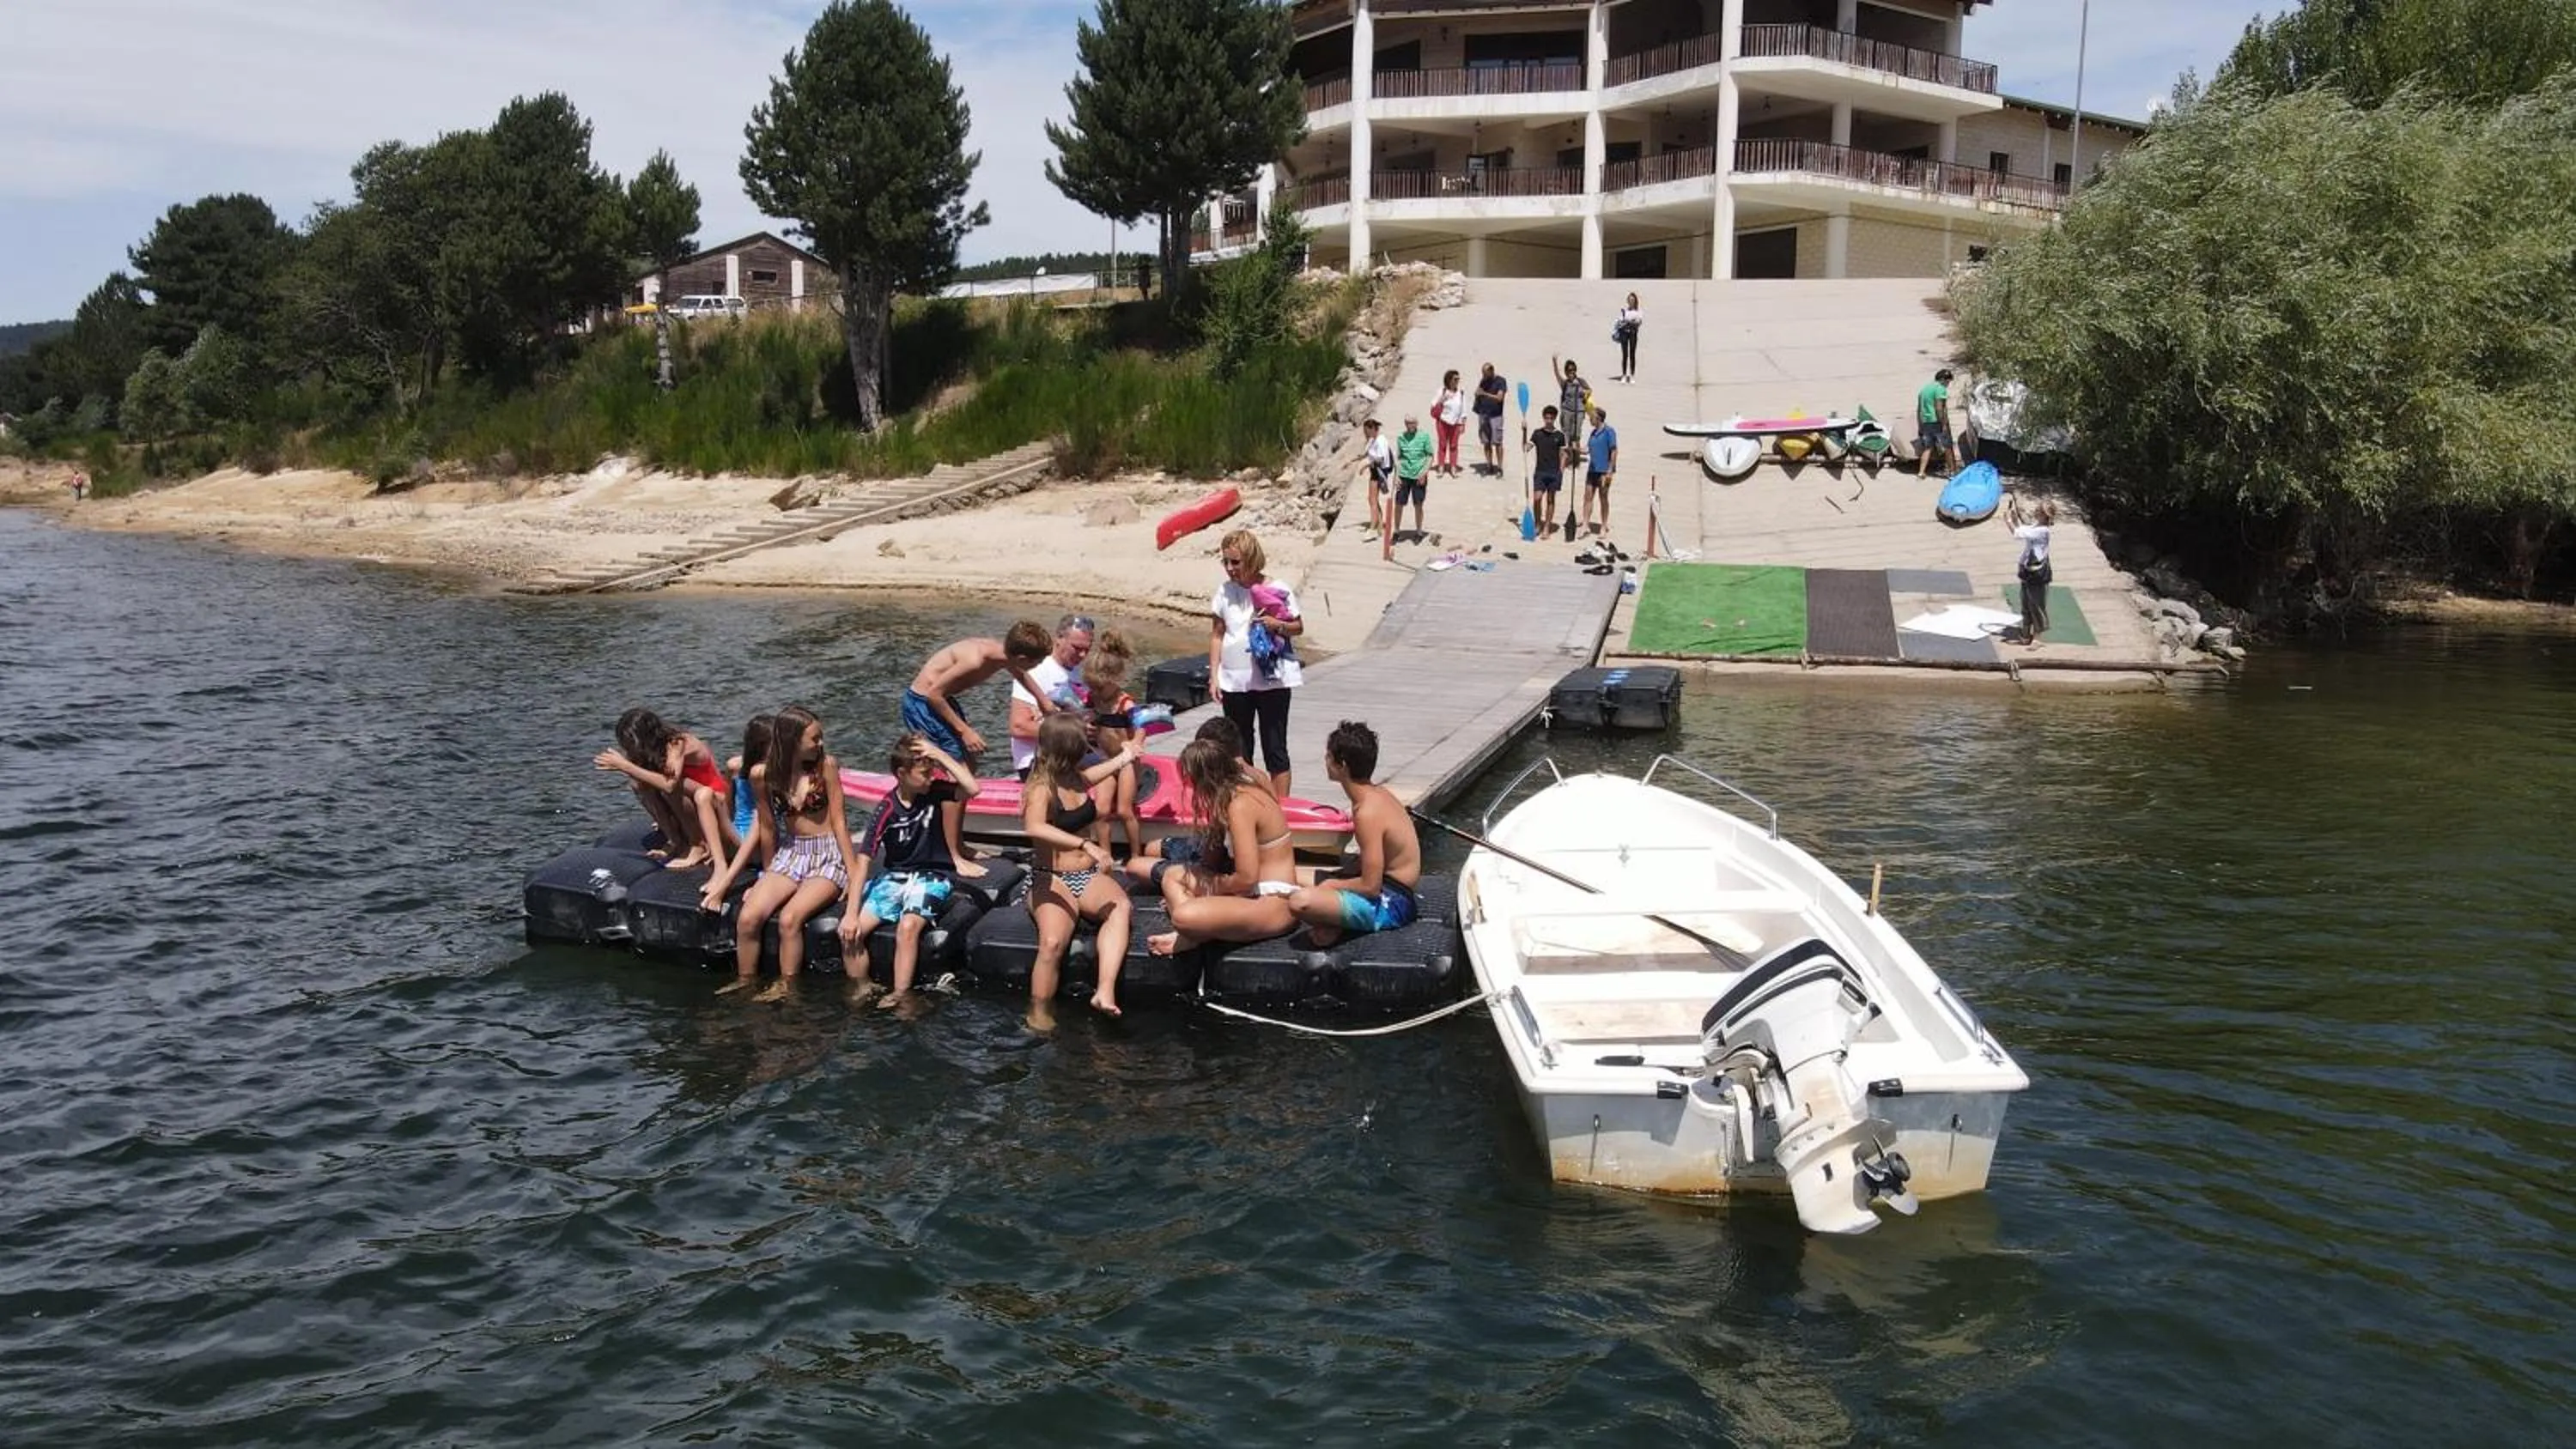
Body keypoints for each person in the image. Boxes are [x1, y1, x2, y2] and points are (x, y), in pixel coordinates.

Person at [724, 705, 860, 1002]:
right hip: (791, 853)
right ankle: (745, 981)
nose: (821, 744)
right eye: (814, 739)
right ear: (792, 740)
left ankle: (787, 987)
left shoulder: (827, 768)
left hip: (827, 853)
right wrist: (767, 875)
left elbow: (839, 822)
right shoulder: (763, 775)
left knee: (789, 919)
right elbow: (768, 828)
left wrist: (852, 876)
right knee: (748, 918)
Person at [841, 732, 979, 1008]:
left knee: (908, 926)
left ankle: (901, 994)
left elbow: (972, 789)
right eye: (924, 773)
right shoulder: (886, 809)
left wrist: (939, 754)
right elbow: (864, 860)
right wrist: (851, 914)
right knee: (850, 933)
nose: (930, 778)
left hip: (931, 878)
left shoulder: (936, 792)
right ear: (902, 773)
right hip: (894, 880)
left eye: (932, 772)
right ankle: (862, 985)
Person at [1022, 713, 1144, 1023]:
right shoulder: (1041, 787)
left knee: (1120, 906)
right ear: (1066, 750)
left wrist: (1128, 754)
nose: (1087, 751)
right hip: (1052, 879)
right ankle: (1038, 1015)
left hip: (1086, 876)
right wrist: (1085, 845)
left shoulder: (1076, 777)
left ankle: (1104, 990)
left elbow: (1100, 772)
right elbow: (1034, 827)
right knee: (1051, 944)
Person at [1146, 738, 1301, 956]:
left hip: (1273, 903)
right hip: (1249, 895)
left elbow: (1247, 879)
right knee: (1172, 876)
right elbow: (1210, 861)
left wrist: (1209, 890)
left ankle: (1192, 935)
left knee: (1183, 915)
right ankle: (1196, 932)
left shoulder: (1241, 805)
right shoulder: (1230, 796)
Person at [1285, 722, 1421, 947]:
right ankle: (1334, 920)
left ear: (1343, 765)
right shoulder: (1376, 794)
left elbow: (1370, 886)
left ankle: (1335, 924)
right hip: (1384, 887)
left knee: (1301, 901)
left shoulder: (1367, 812)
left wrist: (1331, 885)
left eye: (1329, 756)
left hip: (1393, 902)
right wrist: (1336, 878)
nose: (1325, 761)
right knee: (1288, 875)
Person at [1208, 529, 1302, 798]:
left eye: (1235, 562)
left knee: (1275, 747)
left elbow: (1298, 626)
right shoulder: (1224, 592)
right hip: (1234, 681)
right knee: (1239, 747)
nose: (1230, 568)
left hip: (1272, 679)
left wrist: (1278, 625)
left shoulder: (1278, 588)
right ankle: (1247, 801)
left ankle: (1282, 807)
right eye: (1226, 561)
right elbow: (1217, 634)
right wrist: (1214, 675)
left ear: (1250, 559)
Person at [593, 706, 735, 870]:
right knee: (639, 784)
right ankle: (675, 841)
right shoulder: (649, 750)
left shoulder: (677, 743)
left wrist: (625, 766)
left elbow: (669, 785)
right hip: (692, 797)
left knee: (672, 788)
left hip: (713, 798)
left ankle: (698, 846)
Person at [904, 622, 1056, 767]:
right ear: (1022, 659)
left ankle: (962, 788)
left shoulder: (1003, 654)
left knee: (970, 757)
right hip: (923, 703)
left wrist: (1043, 701)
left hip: (943, 699)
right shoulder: (974, 661)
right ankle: (930, 788)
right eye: (1038, 662)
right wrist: (966, 731)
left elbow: (1020, 674)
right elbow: (934, 695)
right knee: (953, 759)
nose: (1039, 666)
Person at [1082, 631, 1147, 860]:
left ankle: (1136, 854)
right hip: (1107, 759)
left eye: (1100, 688)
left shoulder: (1124, 702)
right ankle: (1105, 854)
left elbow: (1142, 724)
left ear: (1115, 679)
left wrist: (1136, 742)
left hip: (1127, 759)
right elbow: (1084, 714)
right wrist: (1086, 724)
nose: (1096, 693)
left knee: (1123, 811)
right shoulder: (1093, 698)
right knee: (1100, 810)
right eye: (1093, 688)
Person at [1008, 614, 1097, 779]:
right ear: (1059, 639)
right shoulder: (1035, 671)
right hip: (1037, 761)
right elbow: (1018, 727)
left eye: (1087, 649)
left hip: (1072, 753)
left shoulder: (1078, 674)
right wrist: (1076, 731)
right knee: (1108, 777)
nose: (1083, 655)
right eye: (1077, 648)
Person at [2009, 496, 2056, 647]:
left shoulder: (2043, 531)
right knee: (2025, 603)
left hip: (2037, 572)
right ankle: (2025, 632)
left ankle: (2038, 637)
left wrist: (2008, 522)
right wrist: (2015, 520)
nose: (2036, 512)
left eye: (2039, 511)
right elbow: (2023, 530)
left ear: (2045, 515)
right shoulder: (2036, 527)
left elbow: (2018, 534)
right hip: (2027, 569)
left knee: (2036, 604)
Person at [1523, 404, 1569, 540]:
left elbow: (1563, 454)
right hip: (1540, 472)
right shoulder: (1537, 433)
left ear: (1554, 418)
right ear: (1543, 418)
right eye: (1546, 418)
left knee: (1550, 499)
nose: (1548, 420)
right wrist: (1524, 431)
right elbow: (1525, 448)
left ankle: (1547, 526)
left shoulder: (1560, 436)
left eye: (1551, 418)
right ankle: (1538, 523)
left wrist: (1561, 471)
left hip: (1554, 472)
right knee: (1537, 499)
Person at [1389, 415, 1433, 556]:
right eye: (1407, 423)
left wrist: (1425, 473)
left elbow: (1430, 455)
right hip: (1404, 475)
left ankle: (1419, 531)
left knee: (1418, 504)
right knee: (1399, 504)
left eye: (1412, 423)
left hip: (1419, 475)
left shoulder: (1424, 436)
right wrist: (1396, 476)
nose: (1409, 425)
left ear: (1416, 423)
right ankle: (1396, 531)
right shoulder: (1401, 438)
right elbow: (1399, 457)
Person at [1582, 404, 1619, 538]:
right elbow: (1587, 449)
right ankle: (1585, 525)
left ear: (1598, 418)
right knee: (1587, 497)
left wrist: (1610, 470)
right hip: (1592, 469)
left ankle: (1603, 526)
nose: (1590, 419)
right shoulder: (1593, 433)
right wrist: (1576, 450)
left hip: (1604, 471)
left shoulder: (1609, 431)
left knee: (1603, 498)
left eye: (1592, 417)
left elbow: (1614, 450)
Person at [1359, 416, 1394, 543]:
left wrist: (1366, 465)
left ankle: (1373, 527)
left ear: (1372, 429)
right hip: (1374, 471)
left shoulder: (1381, 440)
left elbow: (1381, 459)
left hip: (1378, 471)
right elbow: (1366, 454)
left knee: (1372, 499)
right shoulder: (1373, 440)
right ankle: (1379, 524)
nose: (1365, 434)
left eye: (1367, 431)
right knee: (1372, 498)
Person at [1917, 367, 1956, 478]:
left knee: (1928, 447)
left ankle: (1921, 472)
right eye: (1948, 382)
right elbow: (1939, 408)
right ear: (1943, 380)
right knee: (1947, 446)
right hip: (1936, 422)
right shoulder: (1940, 389)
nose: (1948, 384)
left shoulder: (1924, 390)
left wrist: (1920, 424)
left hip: (1925, 422)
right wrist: (1943, 424)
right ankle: (1952, 472)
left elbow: (1919, 409)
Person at [1431, 368, 1467, 477]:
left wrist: (1463, 424)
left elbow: (1463, 410)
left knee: (1454, 446)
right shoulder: (1442, 391)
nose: (1457, 381)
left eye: (1458, 379)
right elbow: (1433, 404)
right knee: (1442, 445)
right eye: (1455, 379)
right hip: (1442, 422)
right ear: (1449, 380)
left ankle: (1453, 467)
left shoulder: (1461, 393)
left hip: (1455, 424)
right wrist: (1443, 398)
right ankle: (1441, 467)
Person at [1473, 363, 1508, 475]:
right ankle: (1489, 465)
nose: (1484, 376)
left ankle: (1500, 467)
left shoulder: (1500, 381)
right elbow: (1478, 394)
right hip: (1483, 414)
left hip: (1496, 416)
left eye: (1485, 373)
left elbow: (1499, 398)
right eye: (1483, 373)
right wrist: (1477, 394)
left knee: (1498, 442)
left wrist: (1485, 394)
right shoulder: (1483, 381)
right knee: (1486, 442)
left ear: (1492, 371)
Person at [1613, 294, 1643, 382]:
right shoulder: (1625, 311)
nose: (1631, 301)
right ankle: (1624, 375)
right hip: (1624, 333)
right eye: (1629, 300)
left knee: (1632, 354)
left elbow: (1639, 322)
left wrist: (1629, 321)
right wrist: (1628, 321)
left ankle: (1632, 375)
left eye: (1633, 300)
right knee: (1625, 354)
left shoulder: (1639, 311)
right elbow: (1620, 320)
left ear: (1635, 301)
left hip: (1633, 333)